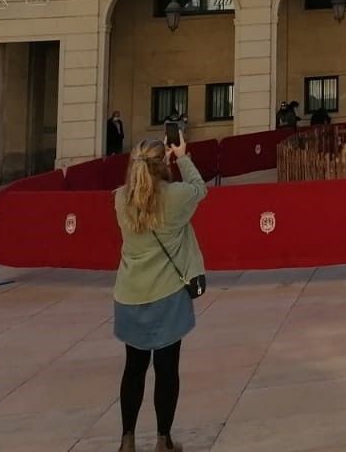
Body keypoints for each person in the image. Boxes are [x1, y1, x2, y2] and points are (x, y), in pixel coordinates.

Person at [113, 132, 207, 452]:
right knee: (167, 370)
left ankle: (127, 438)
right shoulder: (175, 196)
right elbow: (199, 189)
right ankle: (163, 439)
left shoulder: (119, 198)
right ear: (162, 161)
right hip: (167, 293)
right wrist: (182, 156)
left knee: (133, 368)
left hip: (129, 295)